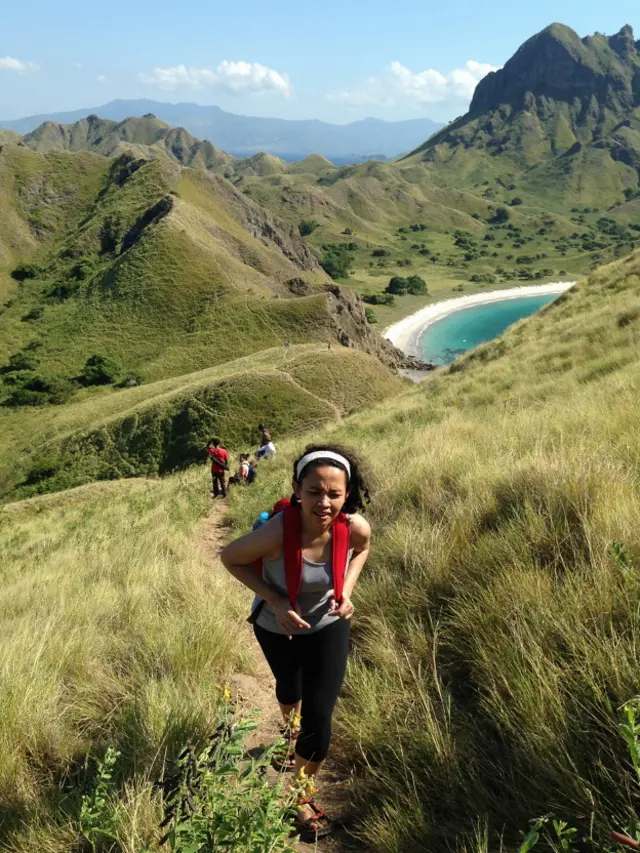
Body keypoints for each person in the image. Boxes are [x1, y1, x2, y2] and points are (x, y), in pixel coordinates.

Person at [220, 445, 371, 841]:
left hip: (328, 626)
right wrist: (275, 600)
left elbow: (362, 550)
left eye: (334, 494)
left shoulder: (354, 527)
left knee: (319, 717)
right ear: (297, 489)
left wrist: (346, 591)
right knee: (290, 689)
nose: (324, 503)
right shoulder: (276, 532)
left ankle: (301, 795)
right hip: (276, 627)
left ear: (347, 494)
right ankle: (290, 731)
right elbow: (230, 557)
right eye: (314, 491)